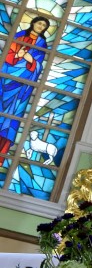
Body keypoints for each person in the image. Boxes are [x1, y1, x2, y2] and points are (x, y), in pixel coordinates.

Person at [0, 17, 50, 163]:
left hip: (21, 87)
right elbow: (7, 56)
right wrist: (17, 56)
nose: (41, 26)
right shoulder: (19, 36)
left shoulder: (42, 44)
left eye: (44, 25)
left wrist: (30, 60)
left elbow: (38, 67)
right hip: (4, 78)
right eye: (39, 23)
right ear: (33, 23)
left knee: (10, 119)